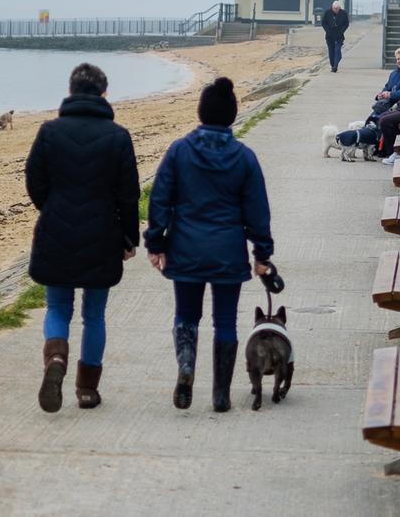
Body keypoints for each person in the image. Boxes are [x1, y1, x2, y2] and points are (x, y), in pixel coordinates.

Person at [144, 77, 275, 412]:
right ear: (231, 116)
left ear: (201, 112)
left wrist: (156, 244)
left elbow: (160, 200)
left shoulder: (179, 151)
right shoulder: (244, 157)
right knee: (226, 322)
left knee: (186, 316)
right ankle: (221, 394)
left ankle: (186, 368)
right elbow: (258, 212)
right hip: (228, 252)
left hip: (185, 249)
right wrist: (262, 255)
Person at [24, 63, 140, 413]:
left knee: (57, 307)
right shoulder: (118, 136)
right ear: (104, 93)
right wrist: (129, 238)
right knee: (95, 315)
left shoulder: (49, 132)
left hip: (56, 228)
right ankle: (87, 389)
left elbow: (34, 179)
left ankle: (56, 359)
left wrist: (52, 207)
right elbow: (128, 194)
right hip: (103, 232)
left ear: (71, 91)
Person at [321, 0, 350, 72]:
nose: (335, 10)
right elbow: (323, 23)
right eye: (334, 8)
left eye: (337, 8)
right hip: (330, 36)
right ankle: (333, 65)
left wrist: (341, 31)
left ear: (339, 8)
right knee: (331, 52)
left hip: (339, 36)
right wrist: (328, 30)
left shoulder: (343, 13)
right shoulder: (327, 13)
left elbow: (346, 24)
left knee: (337, 52)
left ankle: (335, 65)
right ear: (332, 7)